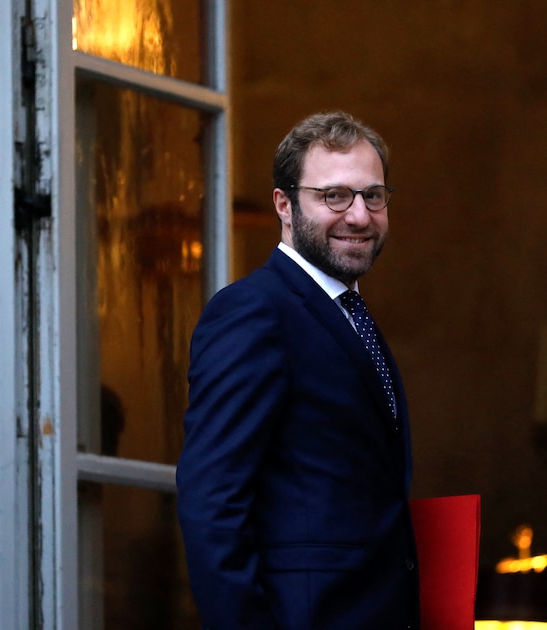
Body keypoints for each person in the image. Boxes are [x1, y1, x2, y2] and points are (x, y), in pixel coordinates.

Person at [176, 111, 419, 628]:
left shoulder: (350, 314)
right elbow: (212, 503)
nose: (358, 216)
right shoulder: (255, 310)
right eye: (333, 196)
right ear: (284, 205)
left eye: (372, 196)